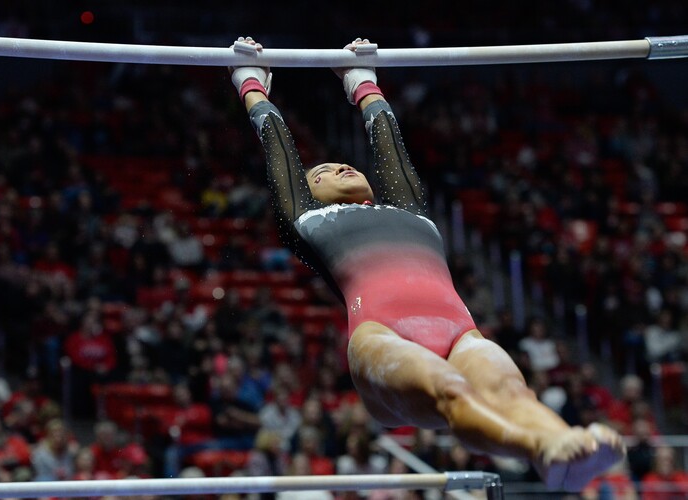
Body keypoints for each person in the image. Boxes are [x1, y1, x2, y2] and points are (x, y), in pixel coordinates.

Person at [229, 36, 625, 492]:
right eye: (322, 172)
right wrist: (251, 83)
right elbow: (277, 146)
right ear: (306, 190)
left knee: (511, 390)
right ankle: (538, 449)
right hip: (381, 337)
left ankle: (562, 444)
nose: (340, 169)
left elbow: (389, 144)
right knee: (450, 389)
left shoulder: (409, 209)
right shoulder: (305, 220)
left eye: (342, 165)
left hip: (460, 332)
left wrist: (362, 82)